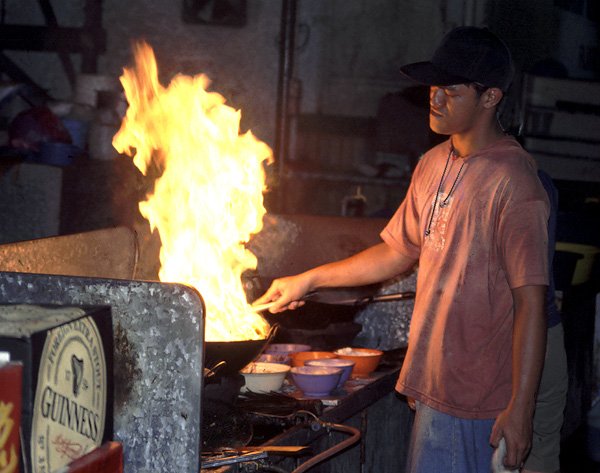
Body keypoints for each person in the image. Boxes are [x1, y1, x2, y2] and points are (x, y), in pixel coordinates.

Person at [254, 26, 551, 473]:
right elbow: (395, 252)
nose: (436, 98)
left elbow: (532, 305)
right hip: (432, 385)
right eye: (434, 86)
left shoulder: (514, 184)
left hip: (478, 400)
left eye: (451, 89)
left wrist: (521, 409)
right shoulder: (434, 164)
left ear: (490, 97)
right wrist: (309, 278)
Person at [522, 170, 568, 473]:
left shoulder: (517, 181)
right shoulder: (540, 180)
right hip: (546, 327)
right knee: (542, 446)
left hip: (525, 331)